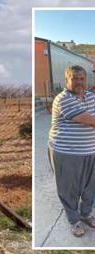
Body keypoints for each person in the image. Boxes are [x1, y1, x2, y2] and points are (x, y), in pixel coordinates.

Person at [48, 65, 95, 237]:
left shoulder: (91, 96)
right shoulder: (63, 98)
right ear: (66, 80)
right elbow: (88, 120)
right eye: (74, 78)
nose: (79, 82)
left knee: (90, 186)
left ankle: (86, 214)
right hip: (67, 151)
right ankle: (74, 220)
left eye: (82, 78)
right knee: (69, 189)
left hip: (91, 150)